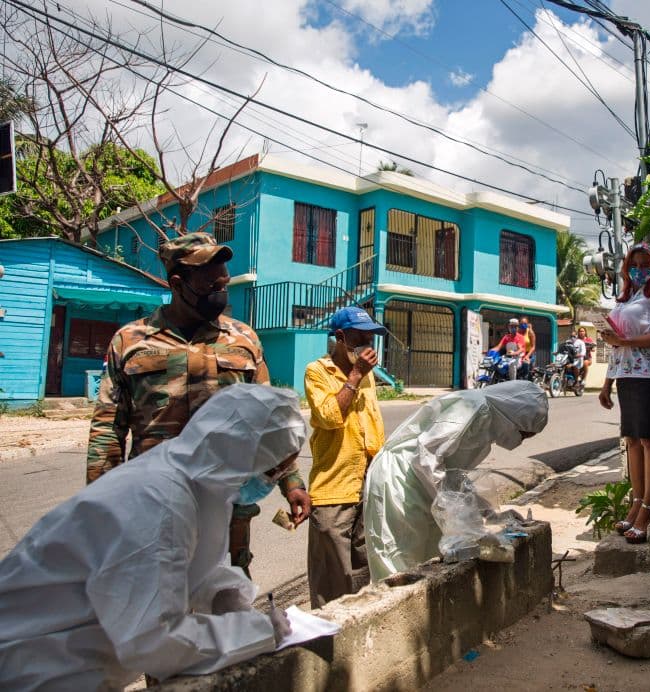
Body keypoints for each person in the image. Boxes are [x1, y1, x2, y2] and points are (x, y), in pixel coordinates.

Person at [0, 385, 305, 690]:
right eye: (273, 471)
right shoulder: (160, 502)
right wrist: (256, 632)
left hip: (71, 664)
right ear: (245, 456)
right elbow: (154, 640)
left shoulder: (200, 483)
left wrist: (223, 592)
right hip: (32, 670)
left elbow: (188, 561)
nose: (274, 480)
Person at [86, 231, 311, 577]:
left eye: (224, 284)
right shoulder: (130, 342)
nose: (221, 292)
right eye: (211, 287)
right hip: (154, 504)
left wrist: (291, 482)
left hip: (227, 507)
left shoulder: (244, 340)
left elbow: (270, 423)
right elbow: (107, 430)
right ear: (177, 284)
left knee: (225, 609)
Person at [363, 381, 549, 581]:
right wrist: (453, 510)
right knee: (399, 558)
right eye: (522, 434)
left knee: (430, 559)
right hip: (400, 480)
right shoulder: (473, 407)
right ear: (513, 417)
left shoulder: (485, 425)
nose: (519, 441)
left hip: (423, 484)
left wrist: (489, 513)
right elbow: (426, 455)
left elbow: (452, 475)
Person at [304, 306, 387, 608]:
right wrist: (354, 375)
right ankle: (327, 635)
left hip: (366, 482)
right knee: (332, 571)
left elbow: (373, 423)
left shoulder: (368, 377)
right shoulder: (317, 371)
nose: (369, 344)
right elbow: (328, 416)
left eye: (371, 338)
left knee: (363, 565)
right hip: (333, 484)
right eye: (361, 337)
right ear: (340, 337)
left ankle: (360, 624)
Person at [598, 242, 650, 544]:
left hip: (649, 375)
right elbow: (614, 344)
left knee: (648, 440)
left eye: (646, 265)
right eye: (634, 265)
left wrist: (624, 340)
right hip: (625, 376)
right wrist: (607, 383)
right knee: (631, 440)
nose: (639, 270)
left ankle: (647, 508)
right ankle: (635, 504)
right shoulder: (626, 297)